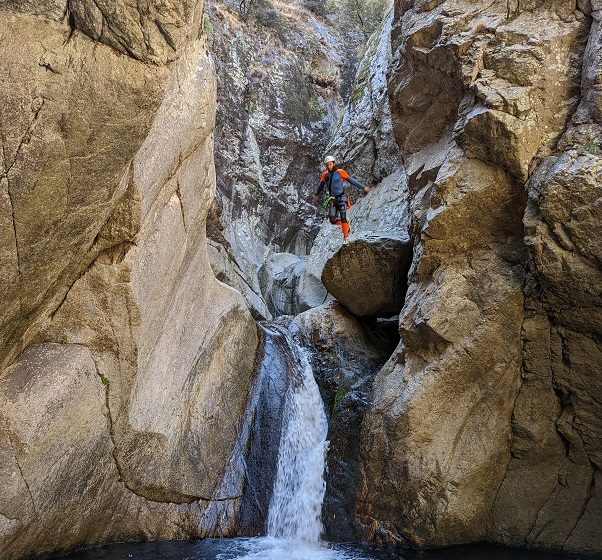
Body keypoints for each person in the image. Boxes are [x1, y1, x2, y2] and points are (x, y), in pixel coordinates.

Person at [316, 155, 370, 239]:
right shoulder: (324, 175)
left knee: (343, 216)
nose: (329, 166)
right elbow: (321, 185)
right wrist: (316, 193)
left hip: (341, 197)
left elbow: (351, 180)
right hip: (332, 199)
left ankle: (346, 237)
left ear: (333, 163)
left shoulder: (340, 172)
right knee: (332, 220)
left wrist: (364, 187)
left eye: (330, 164)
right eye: (327, 165)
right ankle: (346, 224)